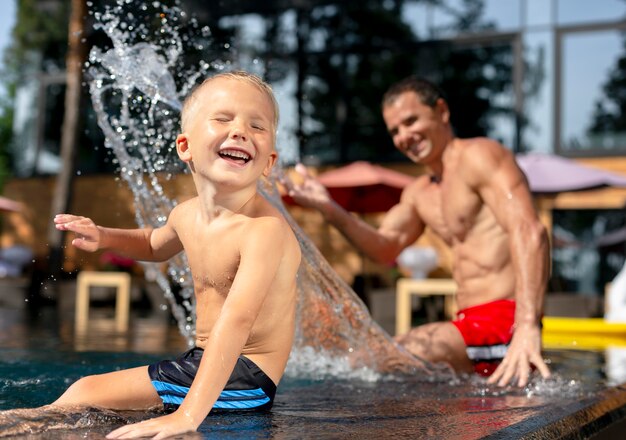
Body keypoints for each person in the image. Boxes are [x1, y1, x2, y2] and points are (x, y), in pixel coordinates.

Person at [52, 71, 301, 438]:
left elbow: (237, 322)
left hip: (246, 377)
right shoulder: (186, 214)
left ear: (269, 162)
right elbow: (153, 244)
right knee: (88, 410)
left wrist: (186, 417)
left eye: (257, 126)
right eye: (222, 118)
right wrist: (105, 236)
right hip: (204, 364)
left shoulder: (265, 230)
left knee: (83, 394)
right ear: (185, 147)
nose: (240, 131)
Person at [284, 75, 550, 387]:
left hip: (505, 320)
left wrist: (527, 325)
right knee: (374, 358)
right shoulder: (419, 192)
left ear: (441, 111)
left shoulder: (480, 156)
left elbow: (530, 231)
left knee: (378, 360)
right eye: (395, 130)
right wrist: (330, 209)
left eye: (411, 121)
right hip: (468, 325)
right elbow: (385, 247)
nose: (404, 136)